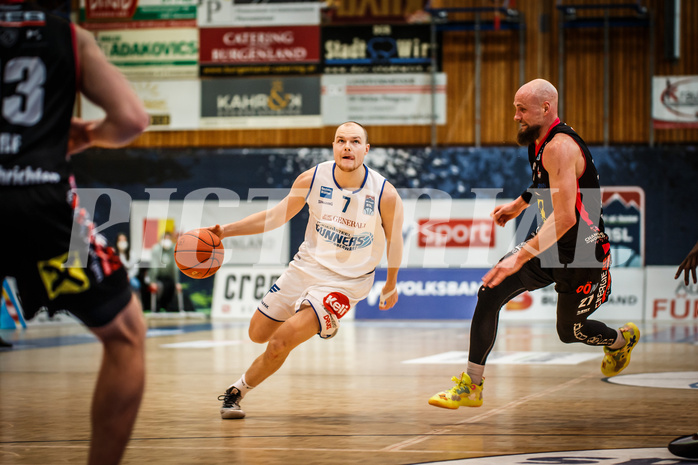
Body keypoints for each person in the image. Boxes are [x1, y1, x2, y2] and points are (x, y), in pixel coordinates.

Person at [428, 79, 639, 409]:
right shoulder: (537, 141)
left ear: (546, 108)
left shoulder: (560, 146)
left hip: (584, 253)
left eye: (521, 109)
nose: (516, 116)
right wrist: (519, 204)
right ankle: (472, 385)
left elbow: (567, 218)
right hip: (550, 244)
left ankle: (620, 340)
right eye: (515, 108)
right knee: (490, 292)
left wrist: (519, 255)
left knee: (569, 332)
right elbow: (543, 181)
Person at [0, 2, 149, 464]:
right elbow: (131, 120)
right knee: (125, 335)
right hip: (37, 201)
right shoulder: (68, 35)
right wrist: (89, 135)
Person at [210, 121, 404, 419]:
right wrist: (225, 231)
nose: (347, 147)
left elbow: (394, 240)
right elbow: (274, 217)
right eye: (341, 141)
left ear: (366, 150)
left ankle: (237, 392)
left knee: (279, 342)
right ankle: (319, 318)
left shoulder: (384, 194)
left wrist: (391, 282)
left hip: (347, 281)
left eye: (354, 142)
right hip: (306, 267)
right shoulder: (312, 179)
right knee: (258, 334)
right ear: (333, 146)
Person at [146, 231, 182, 312]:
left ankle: (168, 307)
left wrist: (177, 282)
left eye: (168, 239)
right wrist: (152, 281)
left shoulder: (173, 249)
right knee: (160, 287)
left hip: (168, 277)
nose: (166, 241)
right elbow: (154, 266)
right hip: (157, 277)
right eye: (165, 239)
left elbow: (175, 268)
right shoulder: (156, 249)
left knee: (171, 285)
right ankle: (157, 307)